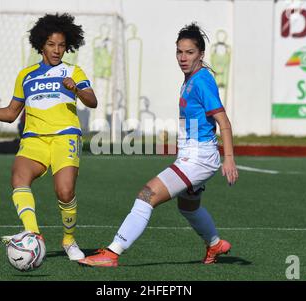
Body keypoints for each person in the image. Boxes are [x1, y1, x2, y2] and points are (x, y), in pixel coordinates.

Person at [78, 22, 238, 267]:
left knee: (146, 195)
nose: (183, 58)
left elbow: (223, 120)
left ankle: (112, 253)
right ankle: (215, 243)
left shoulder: (202, 81)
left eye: (190, 52)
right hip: (194, 155)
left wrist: (229, 158)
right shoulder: (192, 78)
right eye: (179, 52)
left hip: (199, 158)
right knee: (188, 208)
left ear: (201, 54)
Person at [0, 13, 98, 261]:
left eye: (61, 45)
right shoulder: (25, 75)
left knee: (65, 192)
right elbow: (10, 114)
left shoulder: (73, 71)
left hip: (65, 137)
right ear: (41, 45)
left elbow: (93, 101)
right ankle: (33, 235)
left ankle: (69, 241)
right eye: (51, 44)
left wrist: (77, 89)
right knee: (19, 177)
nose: (57, 50)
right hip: (34, 139)